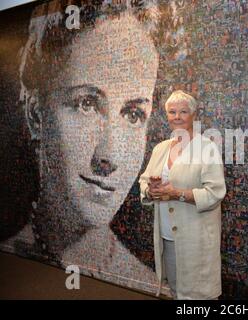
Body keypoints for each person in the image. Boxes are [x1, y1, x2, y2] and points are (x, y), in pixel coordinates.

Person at [0, 0, 186, 293]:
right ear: (37, 114)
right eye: (86, 104)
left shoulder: (152, 289)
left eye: (134, 114)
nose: (109, 156)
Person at [139, 90, 226, 299]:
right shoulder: (161, 148)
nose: (177, 117)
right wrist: (151, 190)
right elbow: (144, 180)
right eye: (172, 112)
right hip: (168, 237)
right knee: (177, 292)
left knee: (199, 296)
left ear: (193, 115)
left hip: (196, 239)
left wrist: (176, 194)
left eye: (183, 112)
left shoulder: (207, 148)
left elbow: (215, 193)